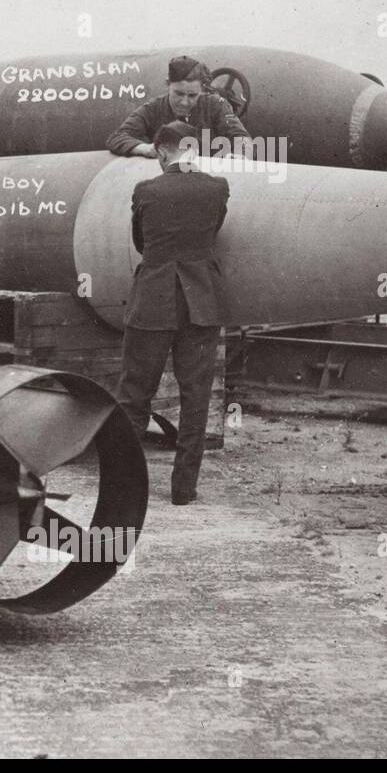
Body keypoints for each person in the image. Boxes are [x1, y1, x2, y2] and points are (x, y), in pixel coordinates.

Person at [116, 120, 230, 506]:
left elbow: (140, 241)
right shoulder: (217, 188)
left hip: (153, 301)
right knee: (195, 397)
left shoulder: (146, 190)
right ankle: (183, 489)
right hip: (201, 302)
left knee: (135, 394)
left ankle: (127, 486)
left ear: (162, 151)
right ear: (192, 150)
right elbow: (213, 232)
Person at [107, 55, 251, 158]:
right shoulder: (152, 109)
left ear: (202, 90)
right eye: (178, 93)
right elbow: (118, 137)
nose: (184, 102)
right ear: (168, 85)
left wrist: (240, 156)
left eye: (192, 95)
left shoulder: (216, 105)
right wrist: (145, 149)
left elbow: (241, 137)